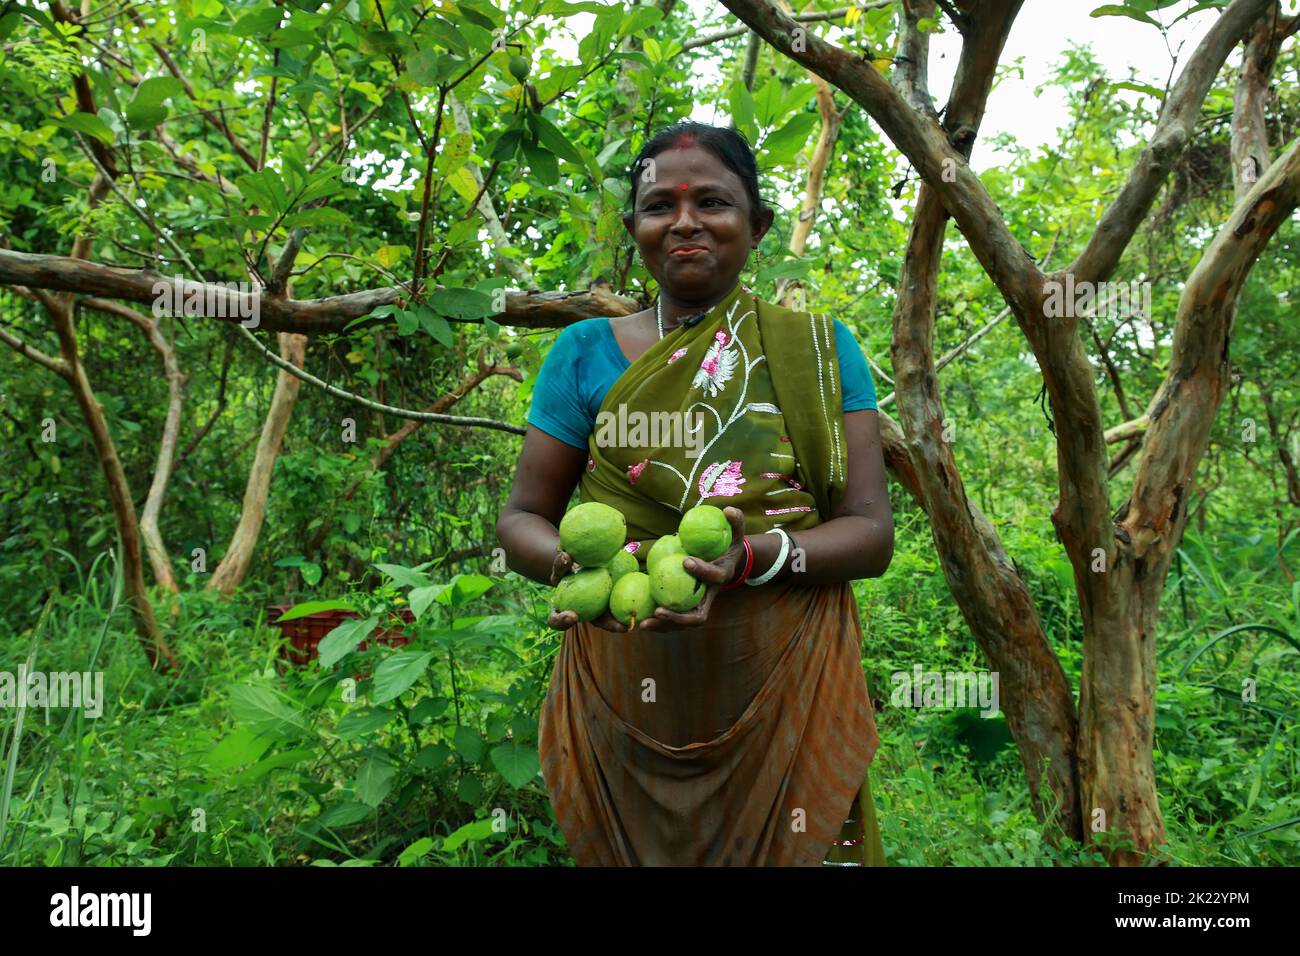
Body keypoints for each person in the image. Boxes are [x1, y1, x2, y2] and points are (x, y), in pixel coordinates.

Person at [495, 121, 894, 866]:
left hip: (787, 683)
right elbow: (523, 518)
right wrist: (579, 571)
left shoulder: (821, 349)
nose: (684, 221)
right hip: (625, 677)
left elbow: (870, 533)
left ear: (757, 223)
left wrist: (750, 559)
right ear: (634, 227)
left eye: (712, 201)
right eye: (659, 206)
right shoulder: (580, 353)